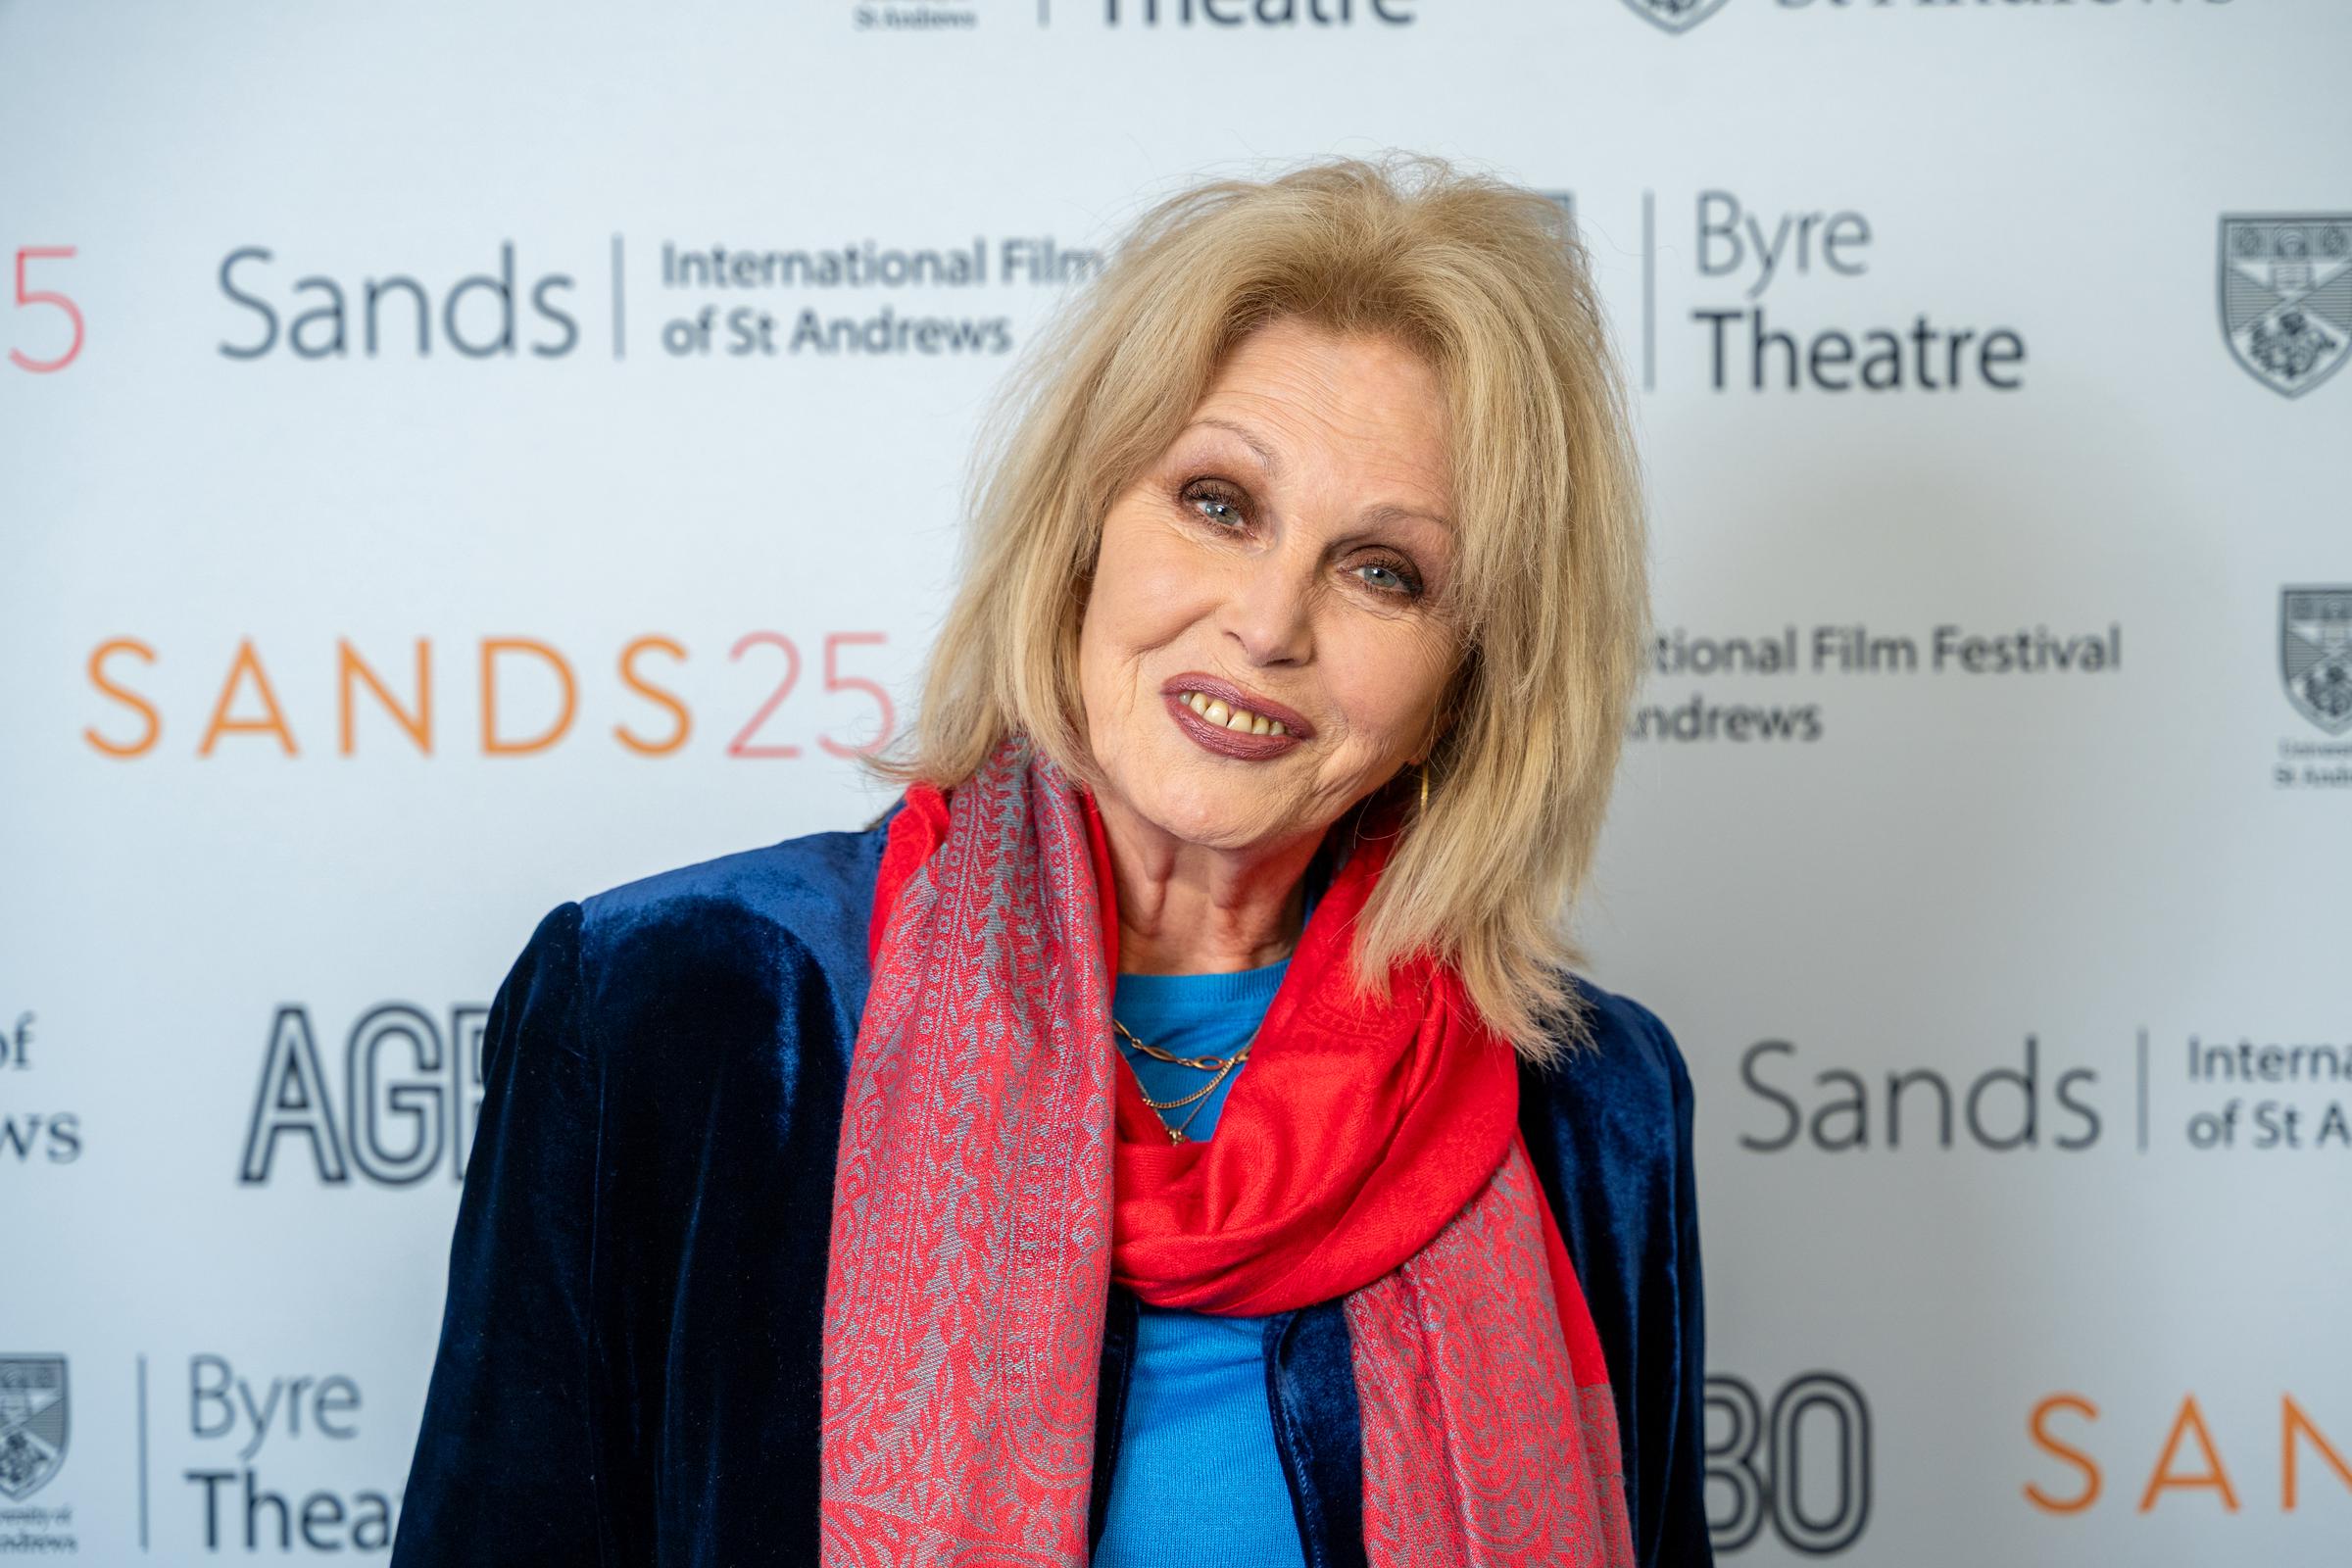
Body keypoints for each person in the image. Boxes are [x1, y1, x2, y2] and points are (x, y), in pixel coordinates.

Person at [388, 154, 1710, 1568]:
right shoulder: (681, 1009)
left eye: (1384, 571)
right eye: (1217, 502)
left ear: (1469, 684)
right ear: (1081, 532)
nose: (1268, 622)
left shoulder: (1588, 1109)